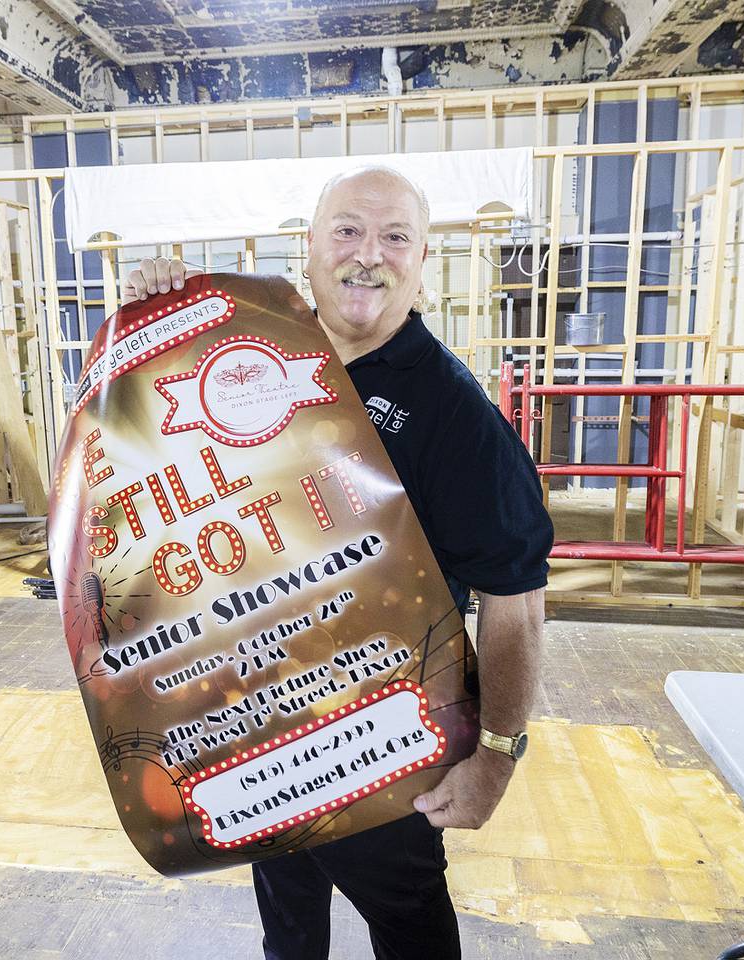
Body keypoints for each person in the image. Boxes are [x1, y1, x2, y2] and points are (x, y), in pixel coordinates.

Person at [121, 166, 553, 960]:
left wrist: (496, 755)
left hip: (379, 739)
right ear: (310, 247)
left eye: (396, 237)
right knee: (287, 922)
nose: (368, 255)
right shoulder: (248, 354)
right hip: (255, 723)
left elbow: (515, 599)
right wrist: (157, 303)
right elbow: (149, 440)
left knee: (408, 919)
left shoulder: (452, 412)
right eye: (348, 230)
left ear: (423, 261)